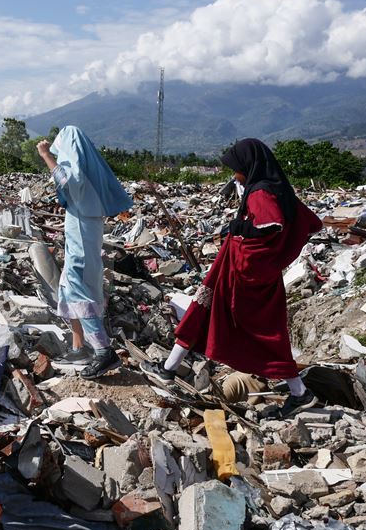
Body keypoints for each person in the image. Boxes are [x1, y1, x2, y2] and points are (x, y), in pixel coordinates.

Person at [142, 138, 324, 417]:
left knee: (228, 320)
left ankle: (299, 392)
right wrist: (273, 255)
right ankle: (168, 368)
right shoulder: (279, 189)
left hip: (240, 274)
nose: (234, 175)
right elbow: (309, 224)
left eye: (236, 169)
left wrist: (240, 229)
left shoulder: (259, 193)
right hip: (261, 274)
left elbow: (270, 224)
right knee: (217, 315)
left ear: (248, 166)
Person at [36, 126, 134, 380]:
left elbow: (66, 180)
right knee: (71, 288)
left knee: (78, 288)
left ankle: (102, 350)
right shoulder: (88, 179)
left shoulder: (78, 177)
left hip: (81, 231)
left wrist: (47, 155)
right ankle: (79, 346)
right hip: (84, 229)